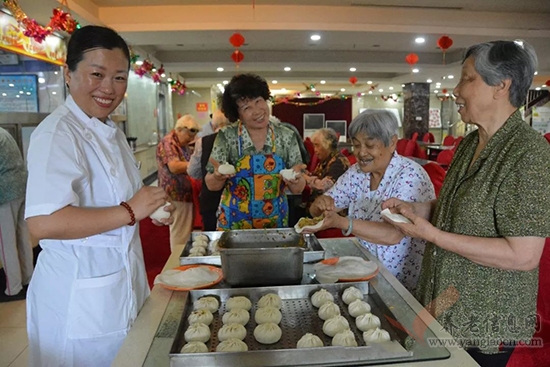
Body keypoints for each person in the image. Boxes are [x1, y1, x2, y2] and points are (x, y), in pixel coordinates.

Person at [382, 40, 550, 366]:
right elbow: (457, 209)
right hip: (445, 297)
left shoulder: (530, 155)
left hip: (488, 314)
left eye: (467, 79)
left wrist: (431, 235)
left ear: (501, 86)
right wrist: (417, 210)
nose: (456, 90)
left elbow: (524, 256)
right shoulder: (470, 142)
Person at [24, 25, 172, 367]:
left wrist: (150, 206)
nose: (108, 88)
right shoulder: (58, 133)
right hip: (80, 297)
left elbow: (120, 196)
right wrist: (130, 211)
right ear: (68, 74)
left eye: (119, 78)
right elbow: (43, 222)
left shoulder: (109, 130)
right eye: (96, 74)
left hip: (121, 282)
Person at [306, 110, 435, 292]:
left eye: (369, 145)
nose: (361, 153)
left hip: (401, 283)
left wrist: (342, 222)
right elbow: (317, 210)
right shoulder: (356, 173)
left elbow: (393, 235)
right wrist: (319, 204)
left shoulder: (410, 176)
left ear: (391, 143)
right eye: (356, 145)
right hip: (365, 270)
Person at [205, 73, 306, 230]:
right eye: (247, 108)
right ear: (237, 115)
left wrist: (295, 179)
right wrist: (218, 176)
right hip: (234, 221)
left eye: (259, 101)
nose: (257, 111)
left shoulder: (286, 136)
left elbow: (298, 189)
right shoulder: (227, 136)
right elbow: (211, 185)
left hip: (274, 222)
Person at [157, 114, 200, 250]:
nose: (191, 139)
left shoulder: (182, 144)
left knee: (185, 233)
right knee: (180, 234)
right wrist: (196, 165)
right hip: (176, 195)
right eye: (189, 135)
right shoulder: (169, 142)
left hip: (185, 194)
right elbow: (174, 166)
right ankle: (178, 264)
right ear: (180, 130)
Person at [0, 127, 33, 302]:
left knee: (6, 243)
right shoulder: (4, 133)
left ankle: (13, 287)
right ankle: (28, 277)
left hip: (5, 193)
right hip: (21, 189)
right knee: (22, 236)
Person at [188, 109, 230, 231]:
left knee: (213, 240)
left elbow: (193, 172)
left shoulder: (203, 141)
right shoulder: (240, 141)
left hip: (210, 201)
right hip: (238, 201)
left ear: (213, 124)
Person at [301, 128, 350, 210]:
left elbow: (323, 187)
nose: (315, 150)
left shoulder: (338, 162)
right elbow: (316, 175)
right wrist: (307, 174)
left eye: (317, 145)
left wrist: (305, 177)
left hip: (332, 212)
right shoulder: (325, 160)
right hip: (317, 207)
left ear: (327, 145)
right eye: (314, 146)